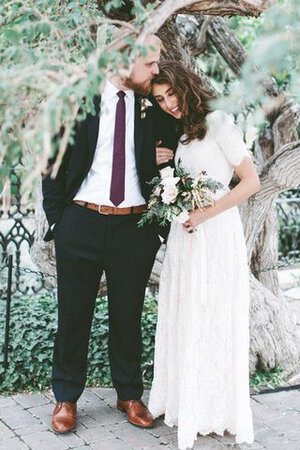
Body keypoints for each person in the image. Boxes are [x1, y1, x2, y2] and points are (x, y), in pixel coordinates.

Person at [42, 36, 177, 434]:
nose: (156, 71)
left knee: (128, 314)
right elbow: (53, 160)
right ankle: (66, 397)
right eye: (150, 64)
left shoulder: (154, 108)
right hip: (80, 221)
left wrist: (157, 223)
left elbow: (173, 152)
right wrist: (57, 222)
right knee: (73, 314)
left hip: (133, 227)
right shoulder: (79, 100)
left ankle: (129, 394)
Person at [148, 61, 261, 450]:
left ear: (185, 86)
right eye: (160, 99)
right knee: (187, 314)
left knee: (212, 313)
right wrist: (169, 172)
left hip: (215, 232)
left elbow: (251, 181)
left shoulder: (219, 122)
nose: (167, 104)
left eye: (171, 94)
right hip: (187, 236)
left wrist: (205, 213)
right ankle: (187, 401)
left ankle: (216, 409)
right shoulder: (181, 136)